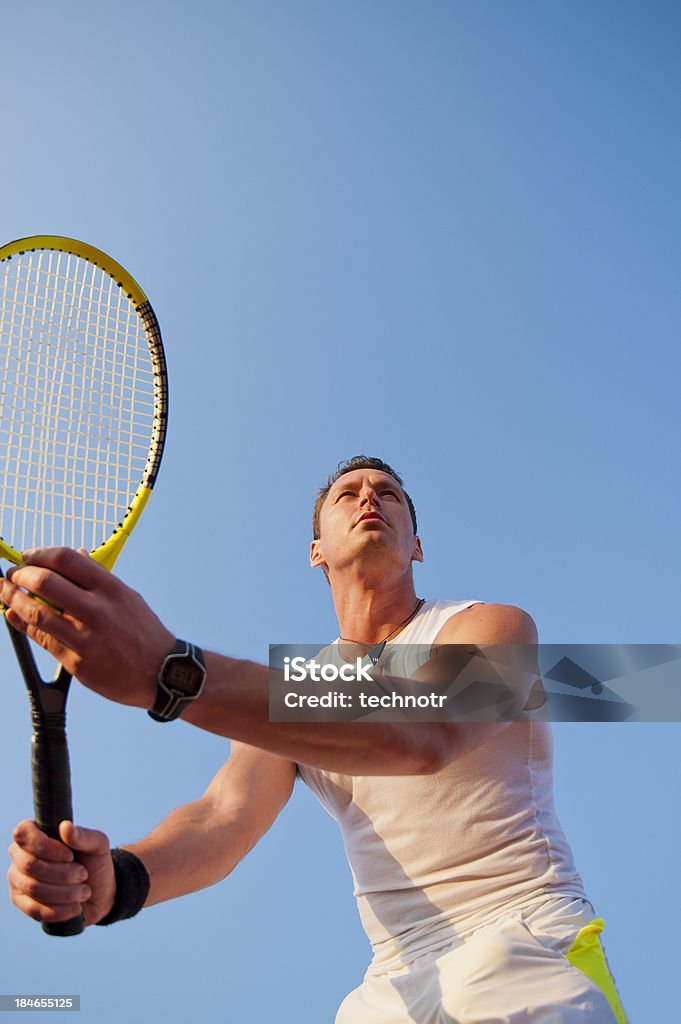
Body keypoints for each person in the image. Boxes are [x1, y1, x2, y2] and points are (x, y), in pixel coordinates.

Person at [3, 456, 627, 1023]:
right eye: (347, 495)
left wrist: (171, 670)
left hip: (523, 938)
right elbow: (223, 819)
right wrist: (117, 880)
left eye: (389, 494)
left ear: (417, 546)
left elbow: (424, 736)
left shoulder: (488, 624)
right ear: (316, 552)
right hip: (390, 984)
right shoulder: (293, 691)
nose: (368, 499)